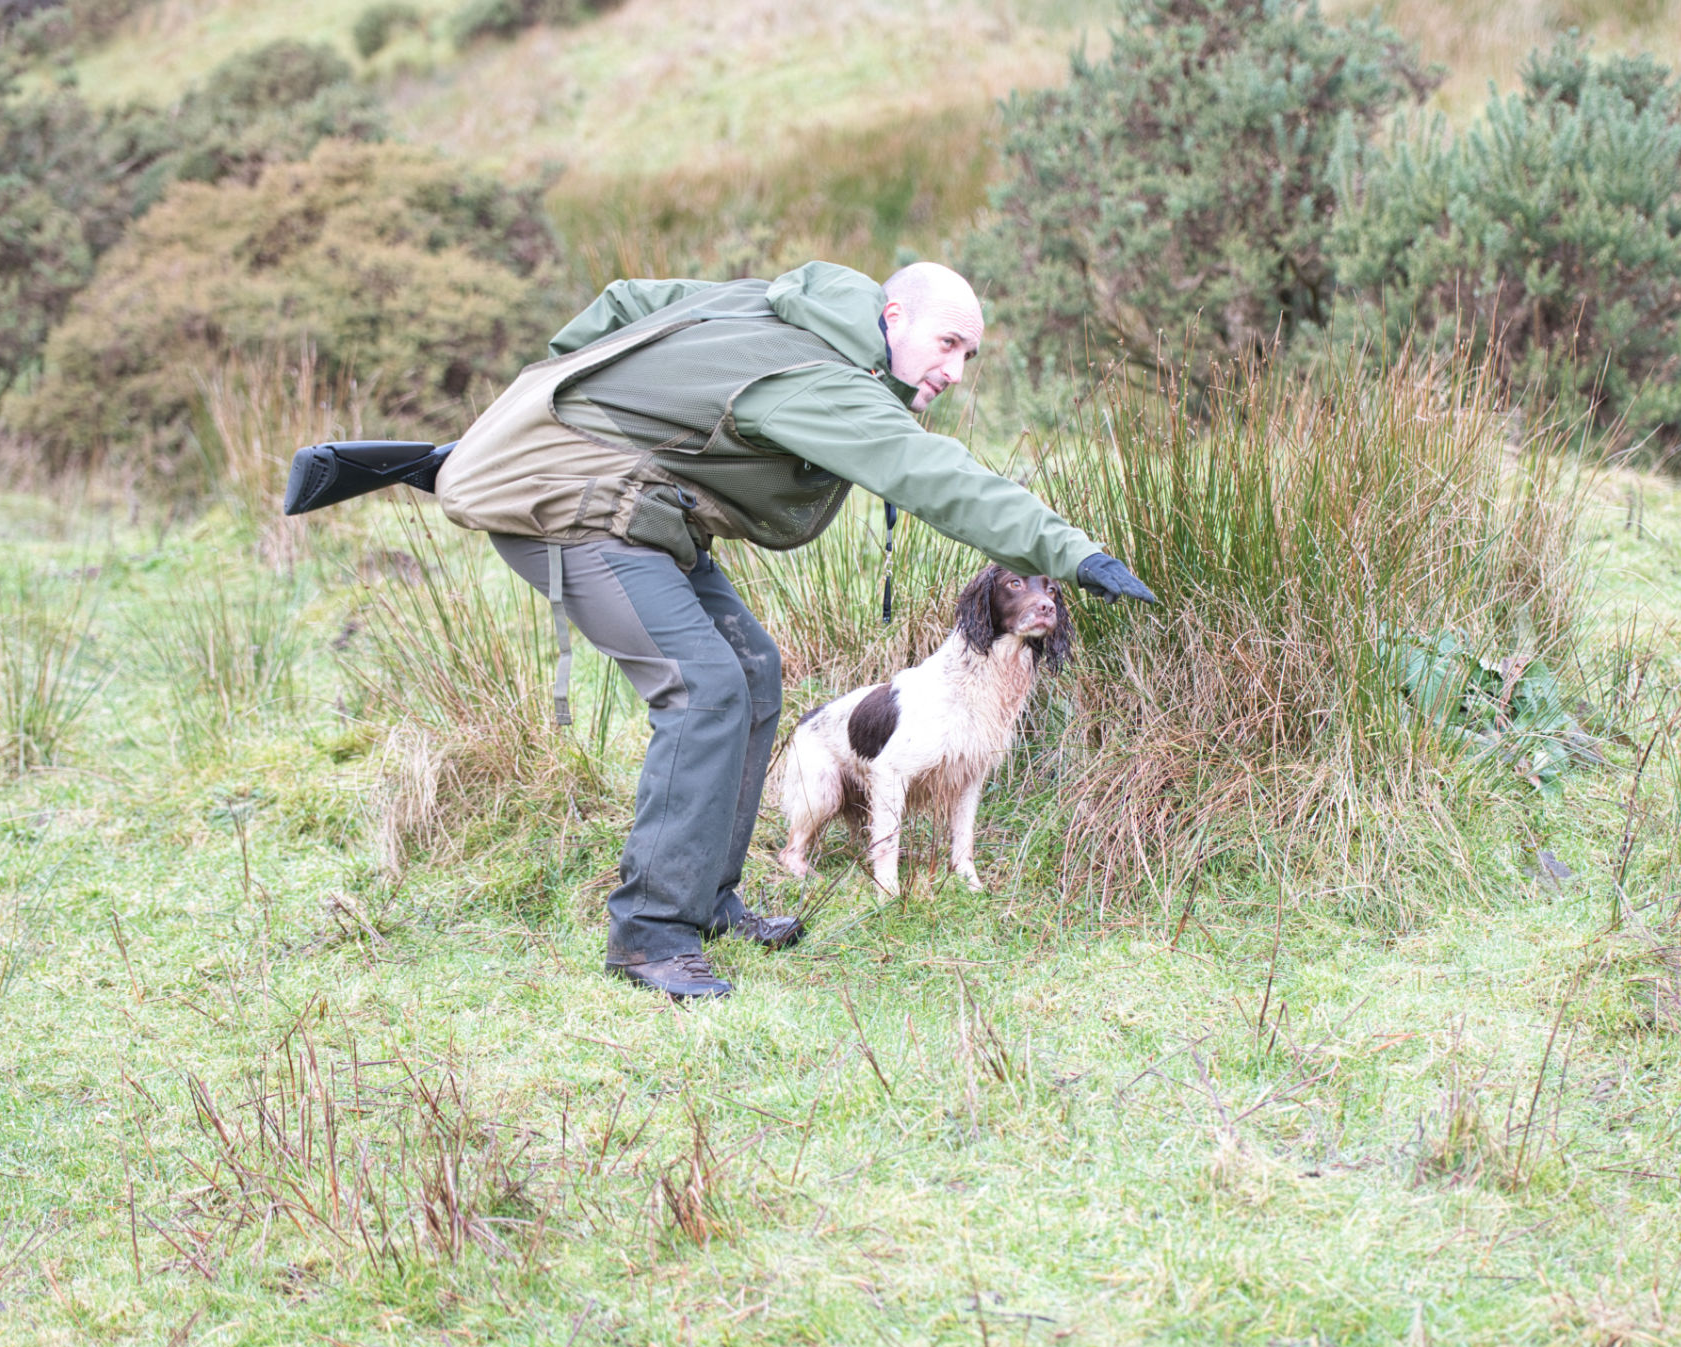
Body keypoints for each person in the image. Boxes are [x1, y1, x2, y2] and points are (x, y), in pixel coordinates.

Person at [435, 260, 1156, 1000]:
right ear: (893, 315)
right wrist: (1073, 552)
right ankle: (650, 935)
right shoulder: (820, 375)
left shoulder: (780, 308)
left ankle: (706, 901)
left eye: (968, 355)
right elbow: (930, 472)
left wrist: (575, 399)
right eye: (946, 343)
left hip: (643, 512)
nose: (956, 371)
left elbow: (625, 301)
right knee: (703, 688)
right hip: (575, 508)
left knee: (752, 671)